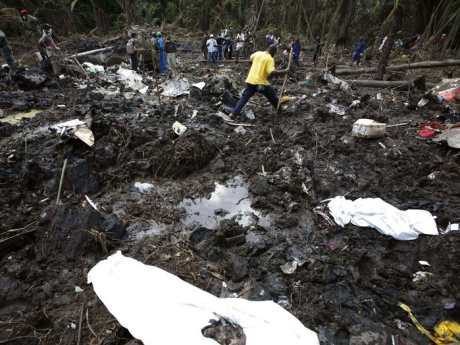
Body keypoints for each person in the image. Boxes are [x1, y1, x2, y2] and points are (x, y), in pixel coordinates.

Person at [231, 45, 289, 117]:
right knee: (272, 96)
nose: (274, 55)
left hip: (250, 80)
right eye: (275, 53)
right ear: (273, 52)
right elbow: (271, 72)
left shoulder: (257, 53)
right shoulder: (269, 59)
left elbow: (250, 60)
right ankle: (280, 110)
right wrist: (284, 71)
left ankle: (234, 113)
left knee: (244, 98)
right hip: (261, 83)